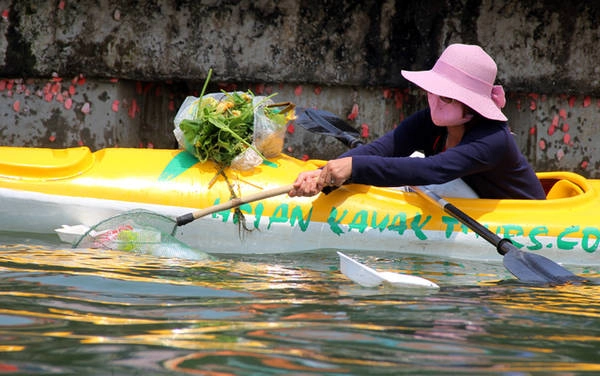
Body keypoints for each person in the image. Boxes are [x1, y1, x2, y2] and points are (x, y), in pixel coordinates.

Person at [289, 43, 546, 200]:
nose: (434, 101)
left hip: (521, 215)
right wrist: (326, 174)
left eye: (446, 97)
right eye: (431, 91)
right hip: (463, 194)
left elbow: (432, 171)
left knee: (417, 167)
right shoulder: (432, 120)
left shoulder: (492, 139)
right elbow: (384, 150)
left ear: (471, 103)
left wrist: (354, 169)